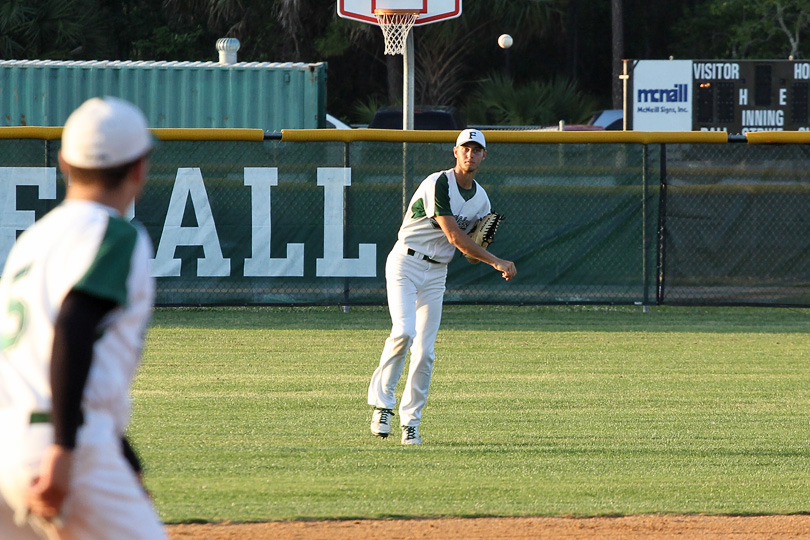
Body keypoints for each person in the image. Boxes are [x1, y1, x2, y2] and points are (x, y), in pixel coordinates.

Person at [0, 97, 166, 540]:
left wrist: (127, 465)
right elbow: (72, 330)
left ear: (64, 163)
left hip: (9, 446)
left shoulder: (34, 241)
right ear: (139, 169)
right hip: (63, 443)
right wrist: (63, 449)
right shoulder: (113, 235)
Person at [367, 129, 517, 445]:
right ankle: (383, 404)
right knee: (404, 332)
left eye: (477, 150)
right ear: (455, 151)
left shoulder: (482, 200)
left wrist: (482, 248)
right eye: (465, 148)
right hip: (405, 262)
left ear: (484, 156)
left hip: (436, 274)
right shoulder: (440, 183)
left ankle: (411, 423)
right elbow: (453, 237)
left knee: (425, 352)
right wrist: (496, 261)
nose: (470, 154)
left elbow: (470, 255)